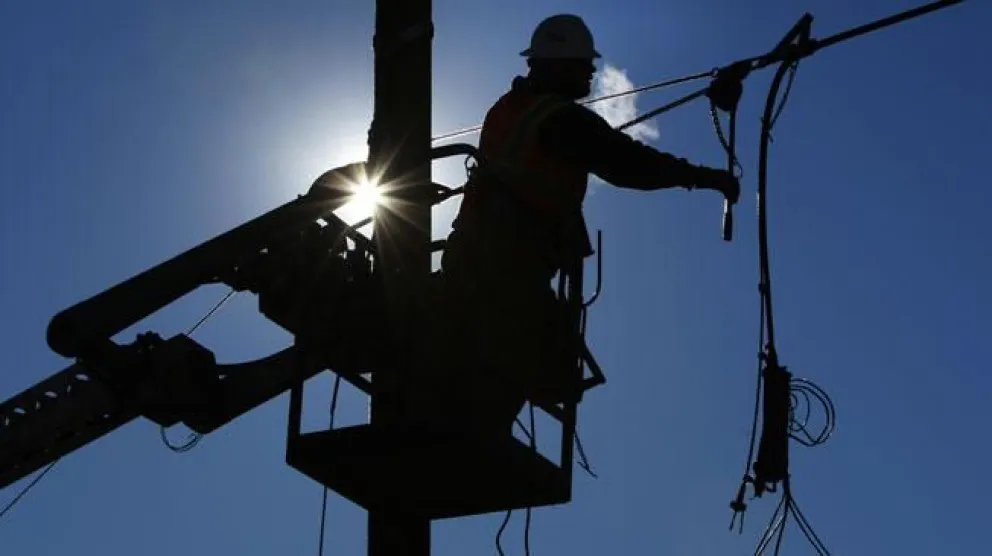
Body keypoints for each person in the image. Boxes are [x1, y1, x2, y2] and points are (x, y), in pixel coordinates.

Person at [433, 14, 740, 433]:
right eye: (583, 63)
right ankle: (470, 435)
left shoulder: (509, 110)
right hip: (506, 272)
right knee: (539, 361)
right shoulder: (558, 119)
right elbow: (628, 163)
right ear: (558, 64)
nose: (591, 72)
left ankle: (461, 427)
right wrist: (705, 178)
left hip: (475, 261)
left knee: (515, 361)